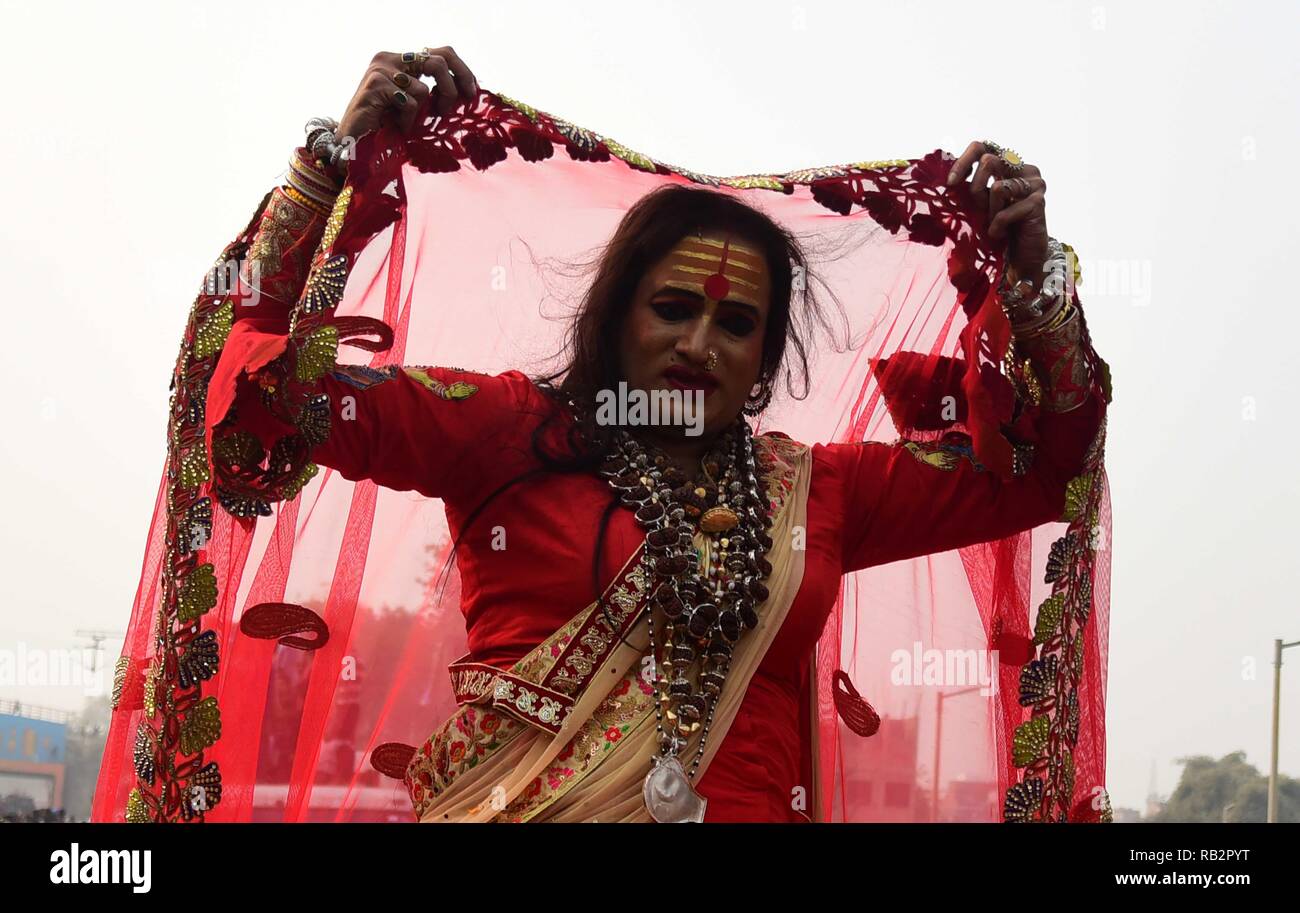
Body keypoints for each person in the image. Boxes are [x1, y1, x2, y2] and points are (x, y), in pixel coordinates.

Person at [96, 47, 1111, 824]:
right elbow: (254, 396)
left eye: (736, 323)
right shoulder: (500, 430)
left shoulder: (823, 490)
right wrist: (327, 170)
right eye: (674, 307)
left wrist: (1034, 287)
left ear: (764, 361)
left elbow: (1043, 472)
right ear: (617, 313)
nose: (700, 341)